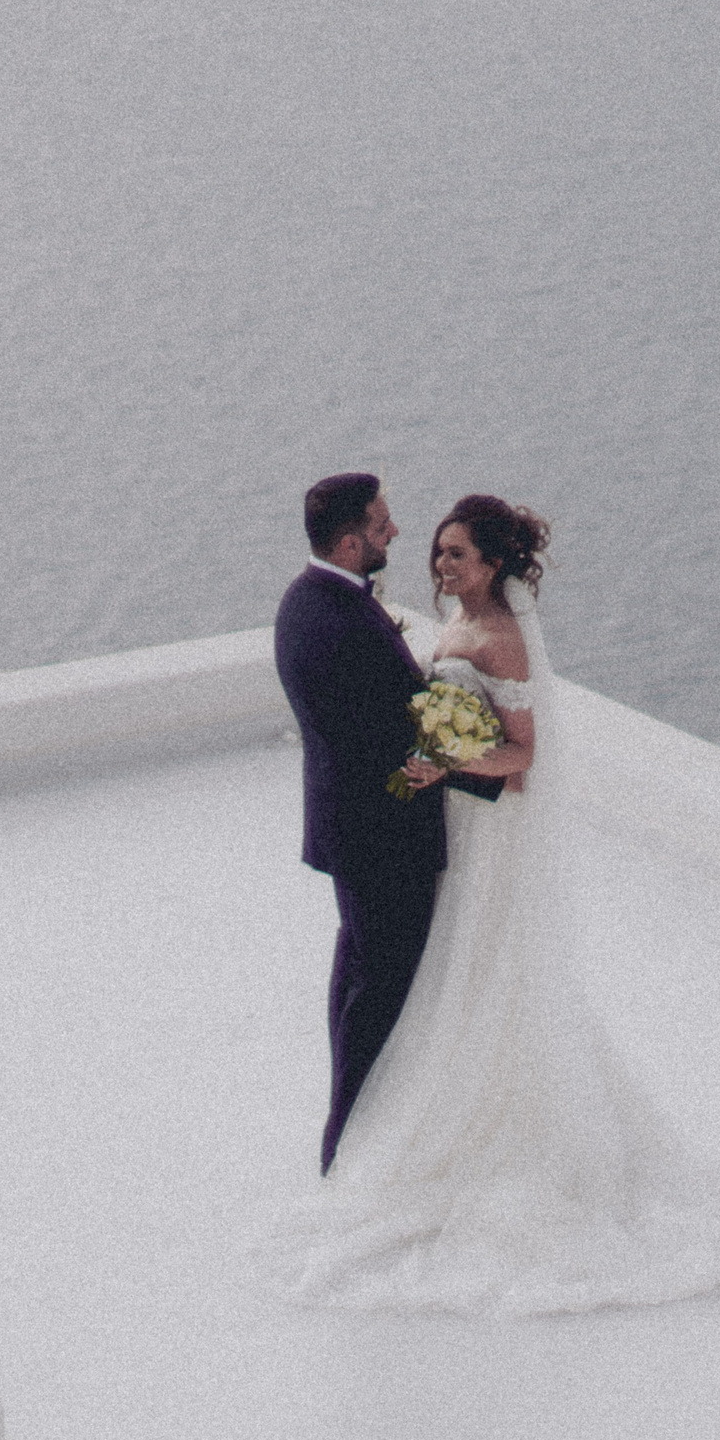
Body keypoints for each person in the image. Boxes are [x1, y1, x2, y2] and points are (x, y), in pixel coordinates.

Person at [262, 494, 720, 1316]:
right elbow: (420, 717)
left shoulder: (497, 637)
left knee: (468, 966)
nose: (439, 564)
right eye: (437, 551)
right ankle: (373, 1120)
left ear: (494, 565)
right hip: (441, 827)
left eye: (457, 555)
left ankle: (436, 1127)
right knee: (416, 971)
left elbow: (521, 757)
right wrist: (435, 758)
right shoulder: (439, 624)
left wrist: (445, 767)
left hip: (479, 830)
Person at [273, 474, 505, 1175]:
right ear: (349, 543)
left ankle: (350, 1130)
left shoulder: (302, 602)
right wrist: (496, 765)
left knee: (356, 977)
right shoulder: (346, 622)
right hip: (383, 840)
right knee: (384, 994)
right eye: (381, 526)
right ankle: (350, 1142)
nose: (396, 532)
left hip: (347, 829)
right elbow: (399, 735)